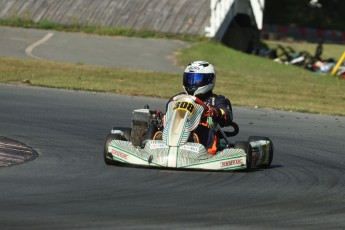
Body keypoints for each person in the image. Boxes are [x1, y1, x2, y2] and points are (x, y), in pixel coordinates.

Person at [166, 61, 233, 155]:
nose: (192, 83)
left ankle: (206, 150)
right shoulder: (178, 98)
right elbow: (168, 110)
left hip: (203, 135)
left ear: (209, 80)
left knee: (204, 127)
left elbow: (227, 115)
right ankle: (148, 143)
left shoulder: (216, 100)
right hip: (176, 130)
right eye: (189, 79)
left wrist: (215, 112)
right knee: (155, 122)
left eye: (197, 79)